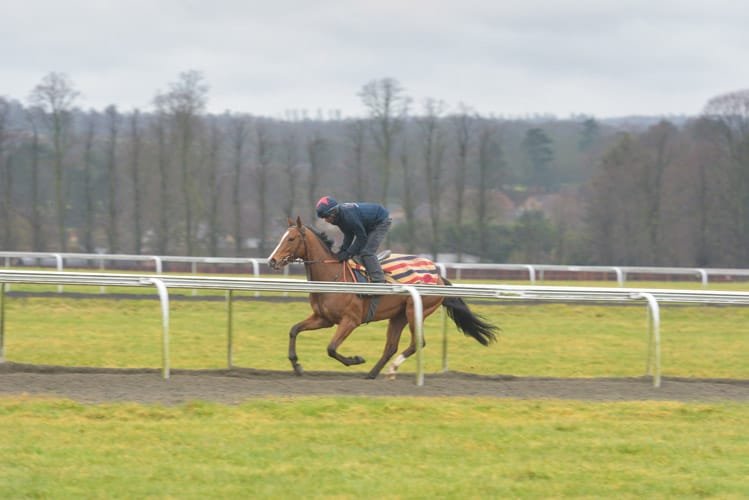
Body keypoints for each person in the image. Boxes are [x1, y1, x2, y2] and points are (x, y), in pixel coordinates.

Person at [315, 196, 392, 283]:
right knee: (357, 253)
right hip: (368, 222)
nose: (326, 220)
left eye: (326, 216)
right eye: (323, 218)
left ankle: (379, 281)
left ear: (333, 212)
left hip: (380, 221)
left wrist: (348, 253)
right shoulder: (339, 218)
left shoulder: (349, 216)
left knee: (367, 252)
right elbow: (348, 234)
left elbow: (362, 238)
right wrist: (342, 251)